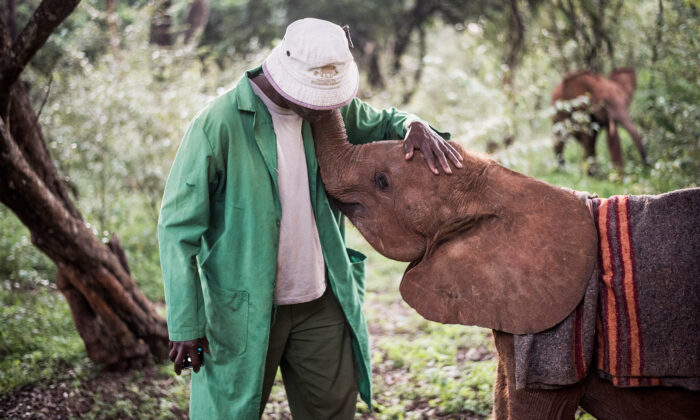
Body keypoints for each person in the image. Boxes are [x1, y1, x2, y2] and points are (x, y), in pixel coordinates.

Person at [158, 18, 462, 419]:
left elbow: (388, 122)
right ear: (285, 77)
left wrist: (415, 124)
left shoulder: (327, 112)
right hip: (243, 310)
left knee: (332, 409)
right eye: (317, 97)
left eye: (332, 98)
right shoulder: (219, 124)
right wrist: (185, 323)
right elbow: (176, 229)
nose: (329, 108)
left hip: (321, 300)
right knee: (226, 412)